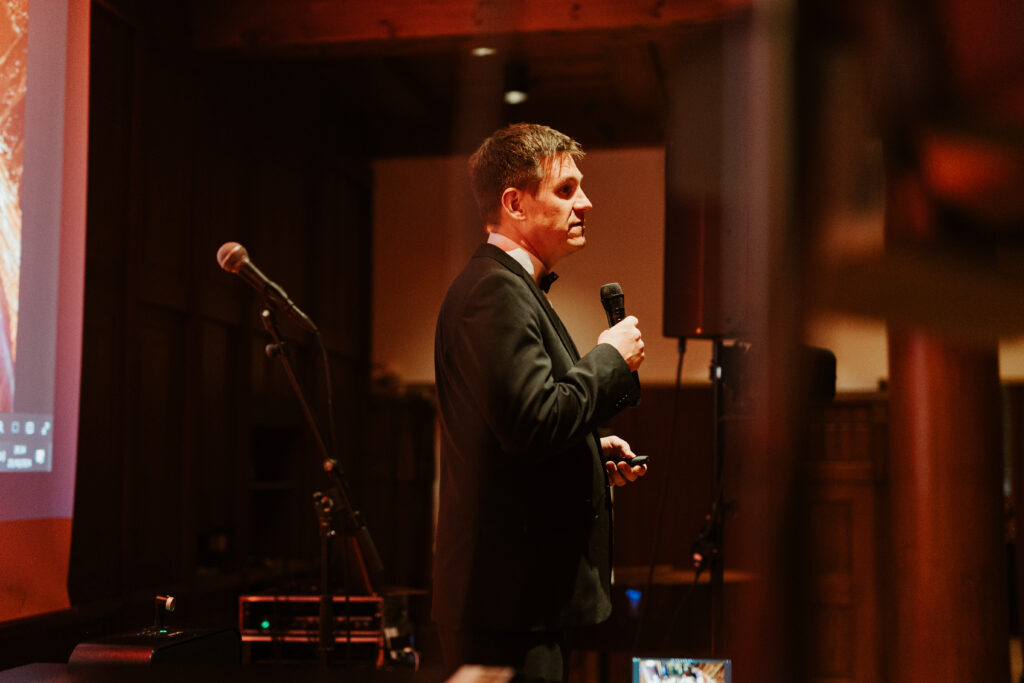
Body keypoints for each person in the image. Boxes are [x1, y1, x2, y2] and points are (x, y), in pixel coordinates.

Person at [432, 122, 647, 682]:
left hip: (523, 603)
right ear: (514, 204)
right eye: (567, 189)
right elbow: (532, 424)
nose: (587, 202)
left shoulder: (511, 288)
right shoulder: (492, 291)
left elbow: (514, 430)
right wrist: (609, 358)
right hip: (507, 607)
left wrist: (588, 450)